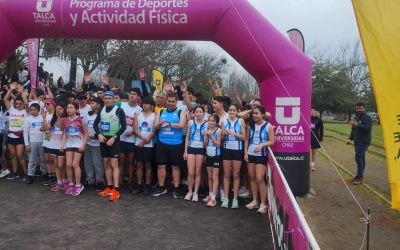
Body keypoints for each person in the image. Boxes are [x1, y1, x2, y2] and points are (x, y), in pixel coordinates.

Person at [152, 92, 187, 198]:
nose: (171, 103)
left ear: (176, 102)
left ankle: (176, 188)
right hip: (162, 143)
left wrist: (170, 124)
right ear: (165, 101)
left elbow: (181, 125)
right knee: (161, 165)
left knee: (175, 166)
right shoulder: (161, 111)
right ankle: (162, 187)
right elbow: (155, 127)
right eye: (169, 101)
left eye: (173, 102)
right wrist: (160, 123)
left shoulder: (181, 112)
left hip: (176, 143)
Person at [94, 91, 127, 202]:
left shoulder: (119, 110)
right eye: (105, 98)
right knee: (106, 163)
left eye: (109, 98)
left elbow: (124, 126)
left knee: (114, 164)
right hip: (103, 139)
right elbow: (95, 124)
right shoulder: (101, 110)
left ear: (114, 99)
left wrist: (114, 137)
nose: (107, 100)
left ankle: (116, 190)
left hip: (114, 140)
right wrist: (99, 134)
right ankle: (109, 187)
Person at [244, 106, 274, 214]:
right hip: (250, 153)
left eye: (257, 113)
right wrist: (246, 153)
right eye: (253, 114)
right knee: (252, 177)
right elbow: (247, 139)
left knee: (260, 178)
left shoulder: (268, 126)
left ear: (262, 114)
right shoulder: (250, 125)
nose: (254, 115)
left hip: (261, 154)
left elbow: (272, 141)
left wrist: (262, 145)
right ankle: (255, 200)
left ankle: (263, 204)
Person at [60, 102, 88, 196]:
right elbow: (64, 133)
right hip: (69, 144)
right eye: (67, 107)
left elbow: (86, 134)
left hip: (79, 144)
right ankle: (71, 184)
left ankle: (78, 185)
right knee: (68, 165)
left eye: (71, 108)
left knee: (75, 164)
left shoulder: (81, 120)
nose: (68, 109)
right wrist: (62, 144)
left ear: (76, 110)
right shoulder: (65, 120)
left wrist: (83, 145)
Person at [221, 104, 246, 209]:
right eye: (230, 110)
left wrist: (234, 134)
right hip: (226, 150)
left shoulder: (241, 121)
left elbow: (244, 137)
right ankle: (226, 198)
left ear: (237, 111)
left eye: (234, 110)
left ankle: (235, 199)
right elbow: (222, 138)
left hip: (237, 150)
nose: (231, 112)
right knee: (226, 174)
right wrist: (225, 135)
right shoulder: (223, 122)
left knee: (236, 175)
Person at [4, 83, 29, 180]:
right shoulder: (11, 110)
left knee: (19, 156)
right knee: (13, 155)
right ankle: (15, 172)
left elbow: (27, 103)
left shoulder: (25, 111)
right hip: (11, 136)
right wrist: (10, 90)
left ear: (23, 104)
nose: (18, 105)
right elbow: (5, 99)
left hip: (20, 136)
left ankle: (25, 172)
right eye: (17, 104)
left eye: (20, 104)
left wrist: (22, 93)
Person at [120, 88, 142, 189]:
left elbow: (140, 125)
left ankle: (129, 181)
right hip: (121, 137)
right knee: (121, 160)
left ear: (138, 97)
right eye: (131, 93)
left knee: (130, 161)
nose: (132, 95)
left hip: (132, 139)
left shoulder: (140, 110)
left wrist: (133, 131)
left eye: (134, 94)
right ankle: (119, 180)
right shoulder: (121, 105)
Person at [183, 106, 207, 201]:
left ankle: (196, 192)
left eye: (200, 111)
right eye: (196, 111)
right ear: (194, 113)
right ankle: (190, 191)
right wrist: (185, 151)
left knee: (198, 172)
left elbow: (206, 143)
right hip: (191, 148)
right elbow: (187, 137)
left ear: (203, 113)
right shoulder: (190, 122)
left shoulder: (206, 124)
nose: (198, 113)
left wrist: (205, 136)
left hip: (201, 149)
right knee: (191, 172)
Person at [133, 96, 156, 195]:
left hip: (149, 144)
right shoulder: (138, 115)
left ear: (151, 105)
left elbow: (154, 131)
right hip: (138, 143)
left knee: (148, 165)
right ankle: (138, 185)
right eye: (144, 103)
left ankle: (147, 185)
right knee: (139, 164)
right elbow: (135, 129)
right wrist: (142, 140)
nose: (145, 105)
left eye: (147, 103)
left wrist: (145, 141)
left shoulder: (155, 115)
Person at [43, 102, 68, 192]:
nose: (58, 111)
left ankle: (65, 181)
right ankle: (59, 182)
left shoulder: (65, 119)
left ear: (64, 110)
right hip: (53, 145)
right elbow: (46, 128)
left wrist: (58, 117)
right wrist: (44, 117)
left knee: (62, 165)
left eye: (60, 109)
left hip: (62, 145)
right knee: (56, 165)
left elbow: (62, 128)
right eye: (57, 109)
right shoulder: (53, 119)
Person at [347, 102, 373, 185]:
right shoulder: (356, 117)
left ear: (364, 108)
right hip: (357, 141)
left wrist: (357, 125)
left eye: (360, 108)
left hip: (364, 141)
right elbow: (353, 129)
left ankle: (359, 176)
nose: (359, 110)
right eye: (357, 108)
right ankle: (360, 175)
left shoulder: (367, 118)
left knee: (358, 157)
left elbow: (368, 129)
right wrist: (350, 139)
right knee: (361, 157)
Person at [83, 97, 105, 190]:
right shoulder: (88, 114)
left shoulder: (102, 115)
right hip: (88, 142)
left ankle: (99, 180)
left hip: (97, 143)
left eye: (93, 103)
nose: (91, 104)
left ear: (99, 105)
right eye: (91, 103)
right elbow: (84, 126)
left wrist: (96, 136)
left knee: (97, 163)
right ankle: (90, 179)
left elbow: (104, 128)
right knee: (88, 162)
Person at [23, 103, 47, 184]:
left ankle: (44, 174)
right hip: (32, 142)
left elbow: (47, 128)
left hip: (42, 142)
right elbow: (25, 132)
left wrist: (44, 129)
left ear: (39, 110)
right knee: (32, 160)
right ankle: (30, 175)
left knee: (43, 160)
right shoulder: (28, 119)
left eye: (34, 110)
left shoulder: (43, 117)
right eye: (31, 110)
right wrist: (27, 144)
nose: (32, 112)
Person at [203, 114, 222, 207]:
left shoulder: (219, 131)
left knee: (215, 176)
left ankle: (214, 198)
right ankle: (210, 195)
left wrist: (211, 136)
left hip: (216, 156)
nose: (211, 122)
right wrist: (206, 136)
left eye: (213, 121)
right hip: (208, 154)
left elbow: (218, 145)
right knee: (209, 176)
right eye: (209, 120)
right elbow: (205, 144)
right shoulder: (206, 131)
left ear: (216, 122)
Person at [310, 107, 324, 171]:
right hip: (307, 138)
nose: (312, 111)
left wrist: (321, 139)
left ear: (316, 111)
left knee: (313, 152)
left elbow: (321, 130)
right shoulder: (307, 118)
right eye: (311, 110)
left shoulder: (319, 120)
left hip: (315, 138)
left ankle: (312, 165)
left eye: (313, 110)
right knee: (306, 151)